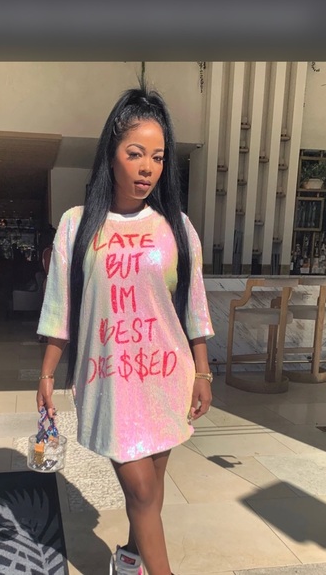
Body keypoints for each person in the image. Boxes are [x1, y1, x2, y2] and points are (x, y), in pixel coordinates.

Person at [36, 82, 214, 575]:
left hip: (166, 375)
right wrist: (47, 374)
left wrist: (202, 372)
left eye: (157, 157)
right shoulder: (77, 226)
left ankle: (131, 560)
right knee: (140, 490)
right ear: (110, 154)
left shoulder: (176, 227)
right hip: (111, 381)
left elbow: (193, 305)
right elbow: (60, 306)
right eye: (135, 153)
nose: (147, 168)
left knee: (150, 494)